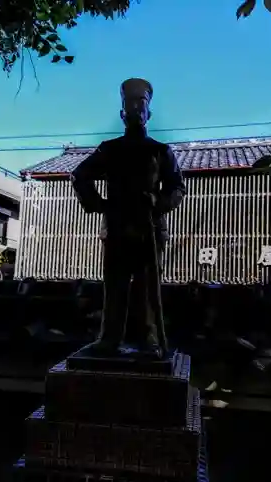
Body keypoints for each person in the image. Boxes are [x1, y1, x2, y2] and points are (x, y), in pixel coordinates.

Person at [71, 78, 186, 359]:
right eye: (129, 105)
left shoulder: (160, 151)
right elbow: (80, 175)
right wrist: (100, 204)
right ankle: (110, 339)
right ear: (122, 113)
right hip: (118, 228)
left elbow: (178, 187)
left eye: (141, 104)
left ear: (149, 113)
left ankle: (150, 340)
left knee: (147, 288)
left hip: (150, 230)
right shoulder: (109, 149)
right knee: (116, 286)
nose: (135, 109)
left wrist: (158, 202)